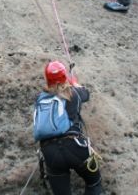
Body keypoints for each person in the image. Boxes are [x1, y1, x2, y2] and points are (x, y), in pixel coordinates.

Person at [36, 61, 102, 195]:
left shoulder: (40, 99)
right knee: (94, 183)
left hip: (50, 153)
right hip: (76, 146)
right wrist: (75, 83)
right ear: (64, 77)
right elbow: (86, 94)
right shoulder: (74, 93)